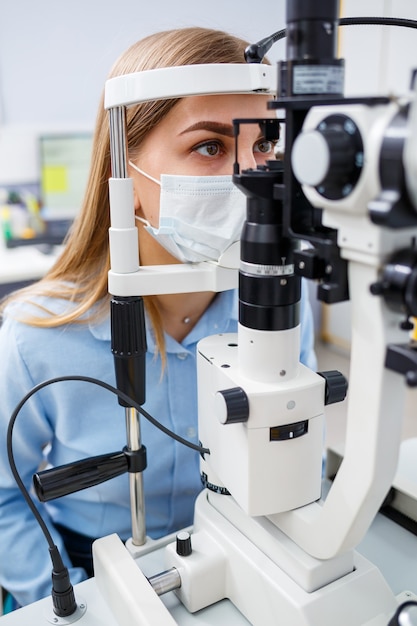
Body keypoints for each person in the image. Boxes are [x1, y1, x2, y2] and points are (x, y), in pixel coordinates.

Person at [0, 26, 317, 607]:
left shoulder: (284, 305)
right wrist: (64, 599)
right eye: (209, 146)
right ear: (127, 175)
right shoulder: (36, 337)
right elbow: (1, 496)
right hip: (91, 569)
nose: (252, 178)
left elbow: (301, 449)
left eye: (264, 146)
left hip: (241, 555)